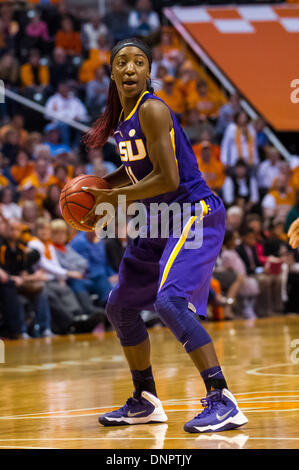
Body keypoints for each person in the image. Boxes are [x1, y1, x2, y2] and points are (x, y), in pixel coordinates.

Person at [80, 38, 248, 433]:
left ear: (149, 72)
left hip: (193, 212)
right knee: (120, 305)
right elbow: (138, 169)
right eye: (122, 62)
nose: (130, 68)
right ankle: (145, 399)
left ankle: (222, 399)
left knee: (170, 302)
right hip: (158, 220)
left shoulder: (153, 110)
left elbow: (168, 177)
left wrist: (113, 198)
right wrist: (98, 191)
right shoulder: (124, 119)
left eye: (139, 61)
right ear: (112, 73)